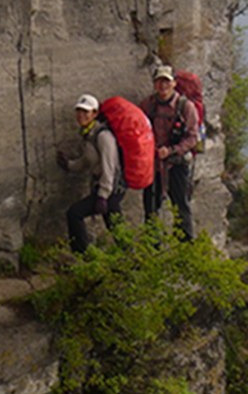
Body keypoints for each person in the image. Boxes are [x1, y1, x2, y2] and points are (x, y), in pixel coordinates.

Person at [56, 94, 126, 253]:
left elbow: (110, 167)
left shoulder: (103, 136)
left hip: (111, 188)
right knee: (115, 226)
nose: (81, 115)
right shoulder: (88, 134)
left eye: (86, 112)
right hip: (105, 188)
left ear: (95, 113)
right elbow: (87, 162)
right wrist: (69, 165)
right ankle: (134, 261)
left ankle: (84, 257)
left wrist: (103, 195)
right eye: (79, 111)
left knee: (74, 214)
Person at [140, 65, 198, 241]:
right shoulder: (148, 105)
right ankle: (152, 247)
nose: (162, 85)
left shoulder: (185, 107)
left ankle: (185, 249)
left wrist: (172, 150)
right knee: (150, 208)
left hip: (176, 164)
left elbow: (193, 137)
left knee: (180, 207)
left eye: (166, 81)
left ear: (174, 83)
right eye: (159, 81)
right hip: (154, 165)